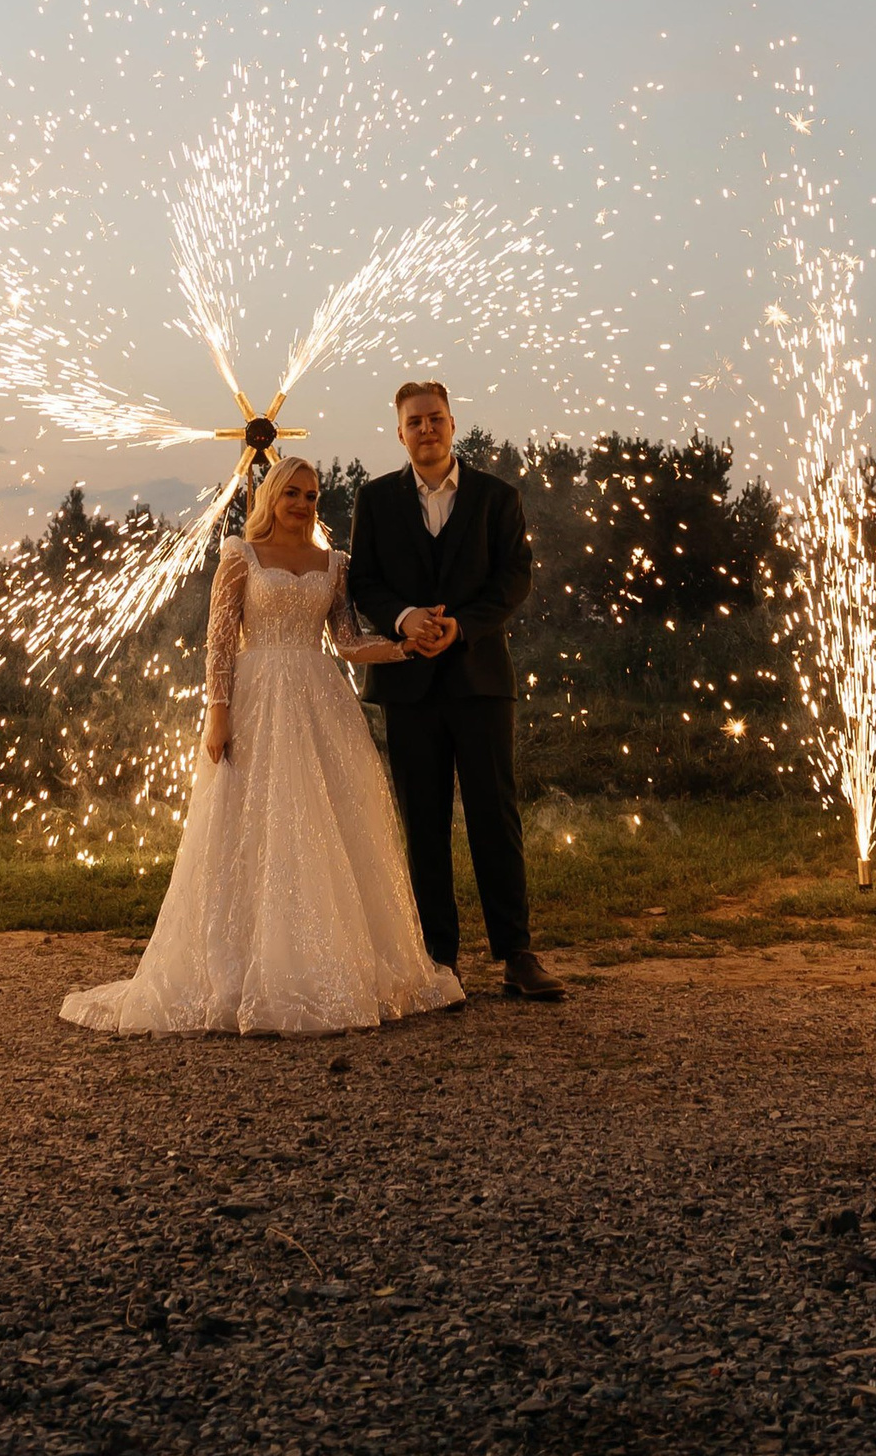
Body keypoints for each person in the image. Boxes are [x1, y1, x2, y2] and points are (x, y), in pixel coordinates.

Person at [58, 455, 463, 1038]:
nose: (302, 504)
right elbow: (219, 642)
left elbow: (346, 643)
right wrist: (217, 713)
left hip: (318, 700)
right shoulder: (239, 556)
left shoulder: (335, 563)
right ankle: (241, 966)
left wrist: (404, 648)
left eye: (313, 495)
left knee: (324, 826)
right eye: (292, 493)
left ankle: (325, 961)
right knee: (251, 825)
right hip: (255, 700)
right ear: (270, 496)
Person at [347, 380, 566, 1001]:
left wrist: (460, 627)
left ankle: (517, 955)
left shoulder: (499, 497)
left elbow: (514, 578)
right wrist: (406, 619)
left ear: (452, 424)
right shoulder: (375, 499)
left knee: (495, 815)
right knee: (424, 821)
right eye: (414, 422)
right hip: (408, 684)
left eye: (435, 419)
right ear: (399, 431)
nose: (426, 429)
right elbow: (363, 580)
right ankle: (439, 959)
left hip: (480, 679)